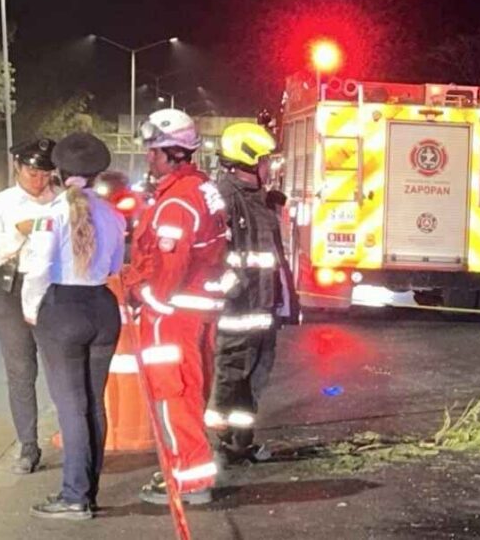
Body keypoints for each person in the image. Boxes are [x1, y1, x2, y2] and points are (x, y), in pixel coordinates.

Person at [120, 109, 228, 505]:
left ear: (174, 153)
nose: (149, 158)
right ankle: (186, 470)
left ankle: (189, 481)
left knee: (174, 396)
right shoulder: (201, 188)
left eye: (154, 152)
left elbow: (166, 274)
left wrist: (136, 293)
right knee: (190, 394)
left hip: (172, 317)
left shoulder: (176, 204)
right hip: (197, 312)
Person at [18, 133, 125, 520]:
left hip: (62, 308)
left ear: (59, 173)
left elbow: (39, 268)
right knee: (93, 404)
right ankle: (88, 490)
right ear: (98, 175)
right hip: (102, 306)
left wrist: (31, 307)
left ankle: (74, 496)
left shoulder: (53, 214)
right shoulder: (114, 214)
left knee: (71, 408)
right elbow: (114, 267)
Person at [206, 123, 296, 464]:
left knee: (254, 377)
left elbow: (271, 255)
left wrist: (285, 301)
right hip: (238, 308)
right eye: (263, 160)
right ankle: (216, 444)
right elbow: (212, 255)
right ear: (247, 160)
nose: (268, 166)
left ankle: (240, 443)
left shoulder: (260, 199)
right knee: (228, 374)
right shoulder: (224, 199)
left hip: (262, 306)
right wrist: (233, 292)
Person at [0, 138, 60, 475]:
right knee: (21, 371)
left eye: (44, 173)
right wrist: (19, 233)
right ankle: (28, 446)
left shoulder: (62, 201)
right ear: (17, 165)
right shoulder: (1, 204)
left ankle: (69, 434)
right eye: (31, 171)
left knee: (60, 369)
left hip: (53, 290)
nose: (37, 179)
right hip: (12, 290)